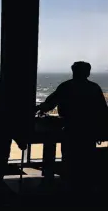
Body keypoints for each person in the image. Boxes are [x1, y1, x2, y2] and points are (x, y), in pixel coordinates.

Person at [36, 61, 108, 194]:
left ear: (74, 71)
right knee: (86, 159)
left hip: (70, 128)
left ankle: (68, 187)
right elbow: (103, 111)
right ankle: (84, 189)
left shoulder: (66, 86)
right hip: (88, 130)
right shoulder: (94, 88)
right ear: (88, 72)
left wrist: (39, 108)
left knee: (69, 158)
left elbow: (50, 103)